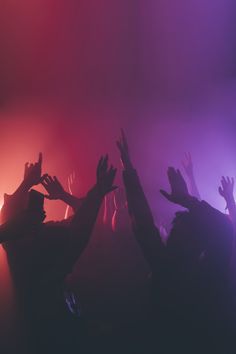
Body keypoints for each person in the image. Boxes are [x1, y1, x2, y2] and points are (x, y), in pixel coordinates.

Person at [117, 130, 234, 353]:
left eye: (175, 230)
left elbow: (142, 222)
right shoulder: (212, 273)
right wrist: (187, 200)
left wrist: (129, 169)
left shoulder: (165, 268)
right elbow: (225, 230)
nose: (171, 233)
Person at [2, 153, 117, 353]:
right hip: (52, 334)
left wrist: (27, 184)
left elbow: (80, 220)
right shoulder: (29, 243)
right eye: (38, 210)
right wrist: (95, 192)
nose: (43, 213)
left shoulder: (21, 242)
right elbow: (81, 223)